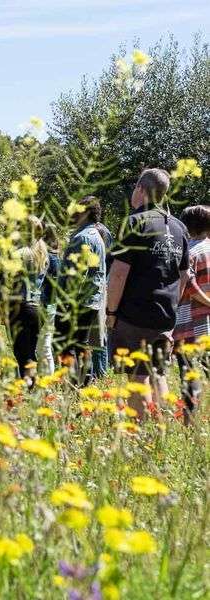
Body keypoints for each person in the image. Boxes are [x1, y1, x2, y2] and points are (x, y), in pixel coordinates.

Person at [106, 169, 190, 418]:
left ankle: (140, 432)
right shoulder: (179, 228)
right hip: (165, 315)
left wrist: (111, 312)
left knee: (139, 374)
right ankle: (162, 427)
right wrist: (173, 309)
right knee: (159, 371)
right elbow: (184, 275)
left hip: (135, 313)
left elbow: (119, 273)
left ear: (141, 190)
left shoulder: (134, 222)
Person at [56, 196, 107, 385]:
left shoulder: (82, 237)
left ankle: (73, 386)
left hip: (76, 301)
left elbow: (76, 275)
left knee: (67, 346)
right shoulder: (96, 235)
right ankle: (85, 384)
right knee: (81, 345)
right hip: (91, 300)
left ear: (85, 212)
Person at [171, 205, 210, 423]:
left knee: (188, 373)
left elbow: (188, 284)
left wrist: (206, 301)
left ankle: (189, 421)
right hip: (207, 323)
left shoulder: (191, 252)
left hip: (190, 322)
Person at [8, 216, 48, 383]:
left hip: (20, 306)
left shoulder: (20, 254)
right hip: (38, 307)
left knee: (21, 353)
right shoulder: (42, 251)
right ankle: (33, 385)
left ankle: (28, 388)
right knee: (30, 351)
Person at [90, 220, 114, 378]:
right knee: (99, 335)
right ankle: (99, 372)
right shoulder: (103, 232)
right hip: (103, 288)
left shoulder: (96, 233)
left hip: (101, 290)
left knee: (100, 336)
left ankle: (101, 373)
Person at [37, 223, 62, 374]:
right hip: (52, 304)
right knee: (46, 343)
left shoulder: (49, 257)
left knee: (44, 345)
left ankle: (46, 377)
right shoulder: (57, 255)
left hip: (47, 304)